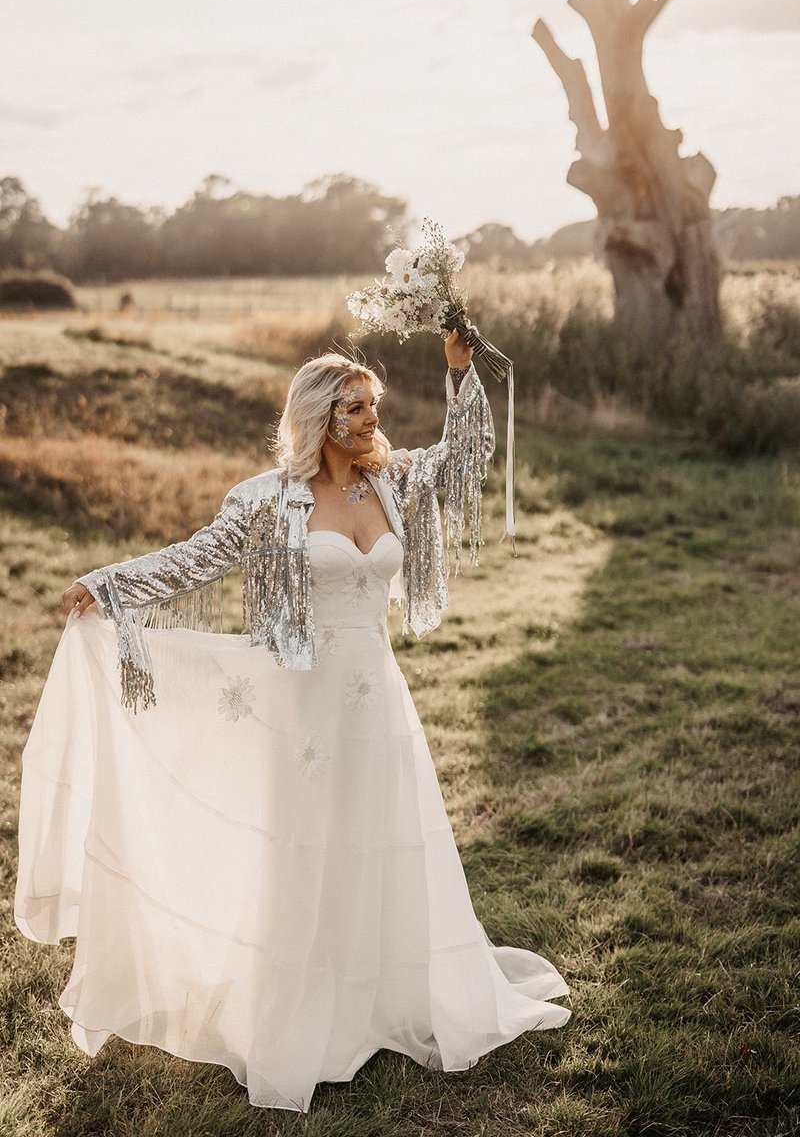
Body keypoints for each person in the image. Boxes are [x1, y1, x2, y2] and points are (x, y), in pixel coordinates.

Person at [14, 330, 571, 1113]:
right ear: (319, 414)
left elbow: (466, 455)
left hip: (377, 695)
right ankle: (303, 1008)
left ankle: (380, 993)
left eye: (374, 405)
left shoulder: (394, 479)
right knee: (307, 841)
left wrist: (458, 369)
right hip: (302, 703)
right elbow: (196, 558)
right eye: (355, 407)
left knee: (378, 836)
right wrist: (107, 584)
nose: (371, 419)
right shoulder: (268, 499)